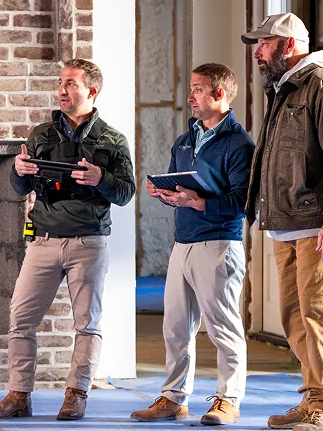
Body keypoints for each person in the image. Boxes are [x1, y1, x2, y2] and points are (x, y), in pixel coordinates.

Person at [0, 59, 136, 421]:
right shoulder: (41, 135)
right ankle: (18, 396)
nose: (62, 90)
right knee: (20, 319)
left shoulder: (112, 140)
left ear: (91, 91)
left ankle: (76, 394)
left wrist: (100, 178)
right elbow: (22, 188)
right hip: (43, 240)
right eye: (61, 82)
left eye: (70, 83)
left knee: (88, 324)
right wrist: (18, 173)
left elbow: (126, 193)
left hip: (88, 242)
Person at [241, 13, 323, 431]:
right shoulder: (284, 88)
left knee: (319, 314)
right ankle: (312, 395)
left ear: (288, 46)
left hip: (316, 225)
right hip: (285, 224)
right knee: (295, 319)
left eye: (264, 44)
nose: (257, 52)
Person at [129, 63, 255, 426]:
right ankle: (172, 398)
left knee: (222, 328)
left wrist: (199, 202)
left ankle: (228, 401)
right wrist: (166, 193)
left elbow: (245, 201)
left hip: (218, 244)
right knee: (175, 327)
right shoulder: (185, 140)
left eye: (198, 89)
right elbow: (181, 188)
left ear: (219, 94)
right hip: (182, 243)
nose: (190, 97)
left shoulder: (238, 144)